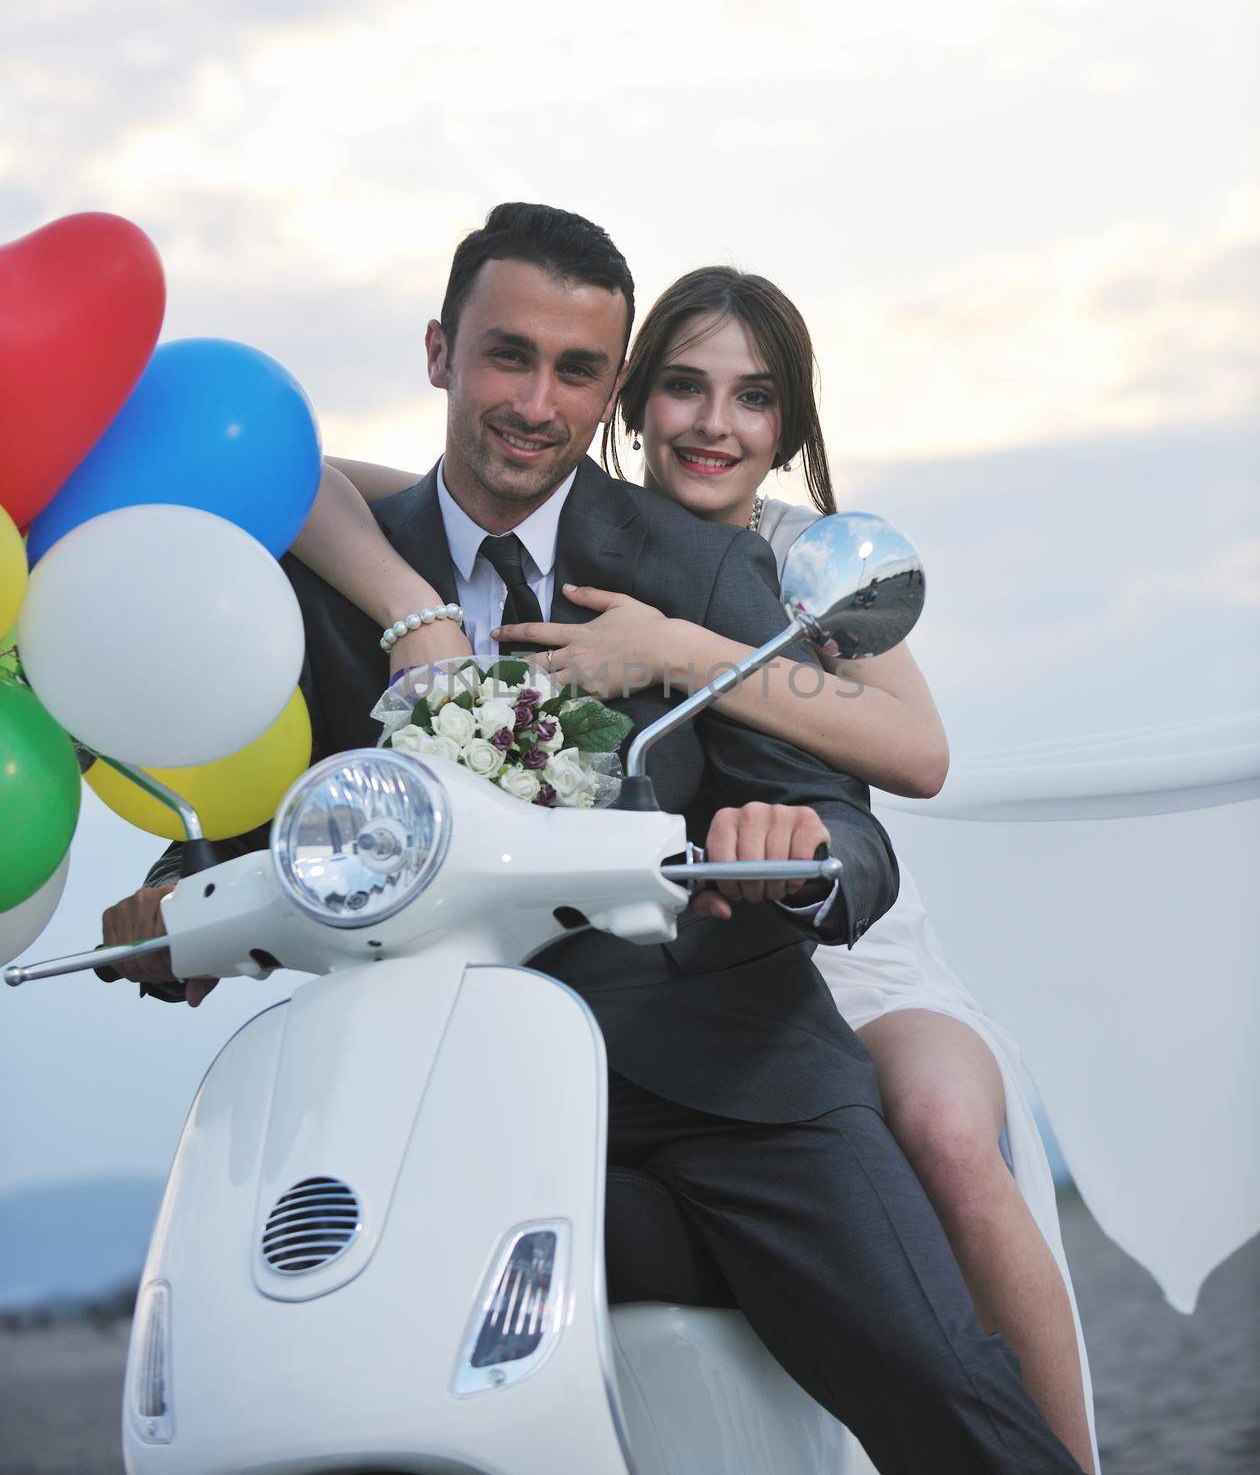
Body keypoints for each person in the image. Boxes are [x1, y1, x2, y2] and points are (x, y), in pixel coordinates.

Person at [102, 203, 1085, 1474]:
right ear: (438, 350)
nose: (535, 401)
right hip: (442, 1092)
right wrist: (174, 900)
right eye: (507, 356)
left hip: (739, 1088)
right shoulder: (329, 582)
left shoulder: (711, 570)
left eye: (575, 371)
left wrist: (786, 860)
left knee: (944, 1394)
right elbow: (262, 818)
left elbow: (857, 827)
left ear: (609, 386)